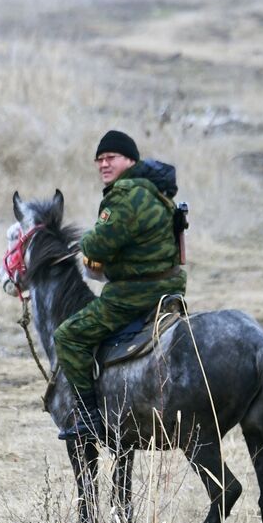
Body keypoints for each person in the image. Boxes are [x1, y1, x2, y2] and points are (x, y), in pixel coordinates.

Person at [54, 130, 187, 442]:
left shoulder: (125, 195)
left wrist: (84, 240)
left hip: (133, 294)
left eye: (110, 157)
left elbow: (98, 245)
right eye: (99, 159)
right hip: (169, 288)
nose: (103, 164)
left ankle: (88, 417)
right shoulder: (155, 191)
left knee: (68, 336)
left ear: (130, 160)